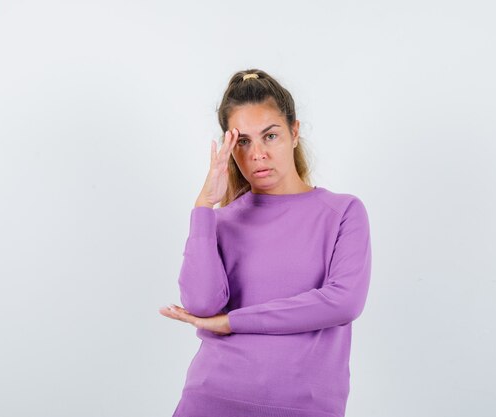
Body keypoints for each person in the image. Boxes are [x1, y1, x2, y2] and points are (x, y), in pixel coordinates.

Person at [158, 69, 372, 417]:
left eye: (269, 136)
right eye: (243, 141)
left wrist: (232, 322)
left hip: (303, 408)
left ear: (294, 132)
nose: (257, 154)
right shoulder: (222, 221)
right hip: (210, 401)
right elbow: (201, 304)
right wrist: (203, 208)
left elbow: (342, 302)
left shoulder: (342, 212)